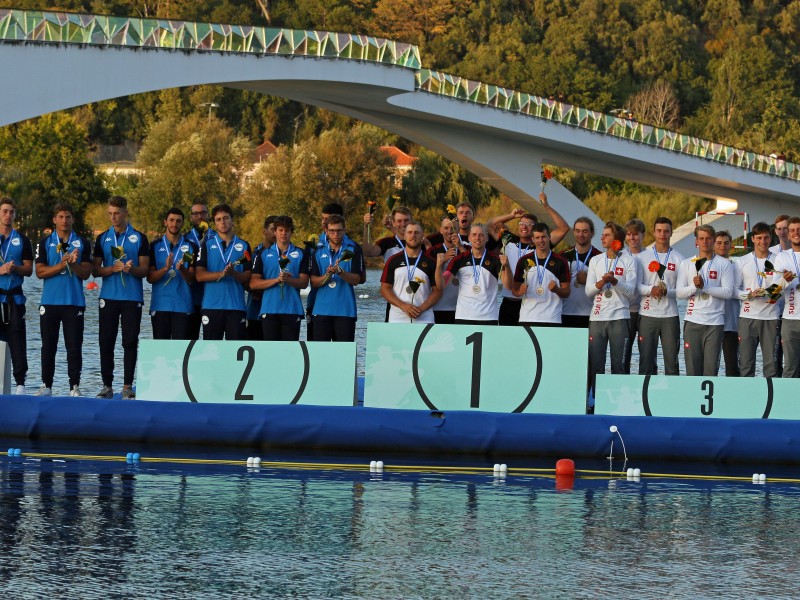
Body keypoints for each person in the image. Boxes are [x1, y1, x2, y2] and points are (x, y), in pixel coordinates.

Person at [92, 195, 150, 399]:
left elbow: (145, 271)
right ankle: (107, 386)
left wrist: (131, 269)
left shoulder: (140, 238)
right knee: (106, 341)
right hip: (108, 297)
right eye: (110, 213)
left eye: (117, 213)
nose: (113, 217)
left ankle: (127, 386)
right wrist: (112, 268)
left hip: (131, 298)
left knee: (129, 342)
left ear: (125, 212)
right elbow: (95, 271)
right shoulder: (102, 238)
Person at [34, 203, 92, 397]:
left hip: (73, 302)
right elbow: (40, 272)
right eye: (60, 216)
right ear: (54, 219)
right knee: (48, 346)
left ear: (72, 219)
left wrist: (73, 264)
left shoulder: (82, 242)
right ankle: (46, 385)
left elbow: (86, 274)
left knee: (74, 346)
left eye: (67, 216)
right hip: (50, 301)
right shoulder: (44, 242)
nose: (64, 220)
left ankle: (74, 387)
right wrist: (61, 264)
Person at [487, 193, 570, 325]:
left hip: (530, 305)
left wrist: (546, 206)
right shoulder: (507, 239)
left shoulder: (539, 243)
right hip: (509, 302)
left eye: (528, 224)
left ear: (535, 229)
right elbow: (490, 225)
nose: (524, 226)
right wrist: (511, 216)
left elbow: (564, 229)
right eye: (521, 223)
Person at [585, 222, 637, 399]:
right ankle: (593, 399)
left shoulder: (629, 260)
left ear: (617, 240)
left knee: (618, 365)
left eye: (606, 235)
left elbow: (631, 293)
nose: (602, 237)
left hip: (620, 318)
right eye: (603, 234)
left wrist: (615, 282)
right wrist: (601, 282)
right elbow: (588, 291)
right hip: (598, 319)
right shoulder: (596, 260)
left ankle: (618, 400)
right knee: (596, 364)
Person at [676, 225, 734, 376]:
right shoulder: (687, 263)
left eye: (708, 238)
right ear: (696, 241)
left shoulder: (724, 263)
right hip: (693, 321)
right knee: (693, 370)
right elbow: (680, 293)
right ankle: (691, 398)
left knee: (711, 370)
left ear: (714, 240)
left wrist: (705, 287)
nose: (705, 241)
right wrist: (694, 287)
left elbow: (728, 293)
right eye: (701, 238)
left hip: (715, 323)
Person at [635, 217, 685, 376]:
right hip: (648, 315)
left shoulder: (680, 259)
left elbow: (682, 291)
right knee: (646, 362)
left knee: (672, 362)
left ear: (671, 233)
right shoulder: (642, 257)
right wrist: (651, 289)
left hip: (670, 316)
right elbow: (636, 287)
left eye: (666, 231)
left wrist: (666, 291)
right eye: (659, 231)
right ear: (654, 232)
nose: (662, 234)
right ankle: (645, 397)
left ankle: (672, 396)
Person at [306, 203, 365, 338]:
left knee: (344, 356)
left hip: (345, 311)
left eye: (339, 231)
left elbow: (357, 279)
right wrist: (327, 275)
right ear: (326, 231)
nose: (335, 234)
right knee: (320, 355)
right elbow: (313, 282)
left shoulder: (353, 249)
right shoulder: (318, 251)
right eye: (332, 231)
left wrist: (340, 272)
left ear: (344, 229)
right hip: (321, 310)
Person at [195, 204, 252, 341]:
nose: (223, 222)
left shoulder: (244, 245)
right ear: (214, 223)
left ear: (232, 220)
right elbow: (199, 275)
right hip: (212, 306)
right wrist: (222, 273)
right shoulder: (206, 245)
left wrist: (234, 274)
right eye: (219, 219)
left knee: (235, 351)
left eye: (226, 218)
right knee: (212, 351)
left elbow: (248, 276)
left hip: (236, 306)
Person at [250, 215, 310, 341]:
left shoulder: (301, 253)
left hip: (292, 309)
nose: (284, 233)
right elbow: (254, 283)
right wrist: (276, 280)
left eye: (287, 230)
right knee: (271, 352)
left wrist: (288, 280)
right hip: (269, 309)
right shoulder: (263, 254)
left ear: (291, 232)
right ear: (275, 232)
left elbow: (304, 283)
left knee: (289, 352)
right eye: (280, 230)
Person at [734, 221, 781, 377]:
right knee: (746, 365)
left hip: (771, 317)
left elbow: (782, 286)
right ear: (753, 239)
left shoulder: (778, 259)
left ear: (770, 238)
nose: (763, 241)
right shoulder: (741, 261)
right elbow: (733, 290)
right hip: (747, 317)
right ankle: (746, 399)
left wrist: (767, 292)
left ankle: (772, 399)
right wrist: (748, 295)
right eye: (759, 238)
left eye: (766, 238)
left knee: (771, 366)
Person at [436, 224, 507, 325]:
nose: (477, 238)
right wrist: (439, 266)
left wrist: (507, 267)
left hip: (489, 316)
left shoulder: (495, 259)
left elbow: (508, 286)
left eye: (481, 235)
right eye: (474, 235)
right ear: (469, 237)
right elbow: (441, 285)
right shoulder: (458, 260)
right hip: (464, 316)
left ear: (486, 238)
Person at [146, 208, 197, 340]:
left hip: (183, 305)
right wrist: (165, 268)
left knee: (180, 352)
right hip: (160, 305)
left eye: (178, 221)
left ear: (182, 223)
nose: (175, 224)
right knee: (162, 353)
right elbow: (150, 278)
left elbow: (192, 279)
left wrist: (182, 269)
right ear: (165, 222)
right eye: (171, 220)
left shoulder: (191, 247)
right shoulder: (154, 246)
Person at [0, 198, 33, 394]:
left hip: (14, 298)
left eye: (11, 212)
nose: (8, 215)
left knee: (17, 339)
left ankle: (20, 383)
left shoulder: (23, 240)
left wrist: (15, 268)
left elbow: (29, 270)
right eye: (4, 211)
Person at [381, 222, 441, 323]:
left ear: (422, 236)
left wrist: (421, 309)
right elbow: (384, 289)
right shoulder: (393, 260)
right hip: (398, 316)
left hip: (424, 316)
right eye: (409, 232)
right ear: (404, 235)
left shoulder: (431, 262)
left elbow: (438, 291)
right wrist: (402, 306)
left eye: (417, 232)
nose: (413, 235)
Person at [512, 223, 570, 326]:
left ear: (549, 237)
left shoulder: (561, 261)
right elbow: (514, 290)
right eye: (537, 238)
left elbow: (567, 292)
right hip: (528, 317)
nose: (540, 241)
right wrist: (519, 291)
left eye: (543, 237)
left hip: (552, 318)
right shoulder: (524, 261)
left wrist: (556, 289)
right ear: (533, 240)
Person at [561, 217, 602, 328]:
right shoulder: (563, 256)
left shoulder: (600, 257)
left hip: (591, 314)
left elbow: (606, 285)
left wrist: (588, 280)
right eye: (577, 231)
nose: (581, 234)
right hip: (565, 312)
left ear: (592, 233)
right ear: (573, 232)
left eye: (585, 231)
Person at [775, 216, 800, 377]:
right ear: (788, 235)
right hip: (790, 320)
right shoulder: (782, 257)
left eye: (799, 230)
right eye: (792, 230)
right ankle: (789, 402)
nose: (796, 233)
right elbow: (773, 293)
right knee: (791, 368)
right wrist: (784, 281)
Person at [245, 215, 277, 340]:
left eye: (278, 230)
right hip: (255, 310)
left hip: (276, 310)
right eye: (272, 229)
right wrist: (255, 290)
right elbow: (246, 280)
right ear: (264, 231)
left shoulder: (287, 254)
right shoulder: (255, 253)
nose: (276, 233)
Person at [715, 231, 741, 377]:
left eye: (726, 243)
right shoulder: (706, 265)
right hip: (711, 322)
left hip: (731, 323)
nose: (722, 246)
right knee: (711, 366)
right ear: (713, 244)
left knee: (732, 366)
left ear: (731, 245)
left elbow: (739, 290)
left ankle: (735, 396)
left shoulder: (737, 264)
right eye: (719, 243)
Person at [425, 216, 461, 324]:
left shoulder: (466, 249)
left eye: (453, 228)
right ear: (440, 230)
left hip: (462, 309)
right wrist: (442, 260)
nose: (449, 231)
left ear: (458, 230)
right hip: (439, 307)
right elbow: (425, 273)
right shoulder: (432, 251)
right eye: (446, 228)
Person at [622, 218, 645, 373]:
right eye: (629, 234)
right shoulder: (620, 256)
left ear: (643, 235)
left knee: (647, 353)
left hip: (646, 312)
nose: (632, 238)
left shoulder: (650, 256)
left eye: (635, 234)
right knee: (624, 353)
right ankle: (624, 383)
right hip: (626, 311)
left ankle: (647, 386)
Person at [186, 202, 210, 340]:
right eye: (195, 213)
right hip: (191, 298)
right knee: (190, 340)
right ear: (191, 217)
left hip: (212, 298)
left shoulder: (216, 238)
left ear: (208, 215)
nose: (199, 216)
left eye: (203, 213)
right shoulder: (185, 240)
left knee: (211, 343)